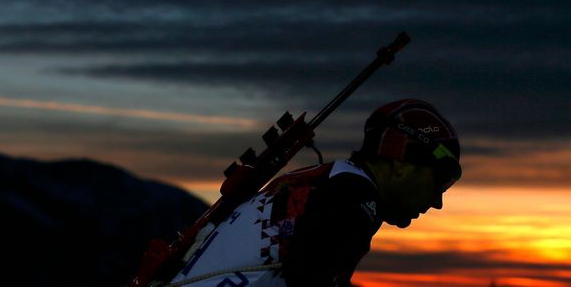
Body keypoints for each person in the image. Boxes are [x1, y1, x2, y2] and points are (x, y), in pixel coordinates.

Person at [168, 99, 462, 287]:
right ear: (400, 164)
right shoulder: (349, 200)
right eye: (439, 182)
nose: (437, 201)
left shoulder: (320, 182)